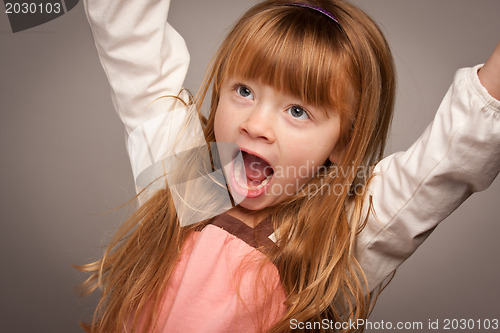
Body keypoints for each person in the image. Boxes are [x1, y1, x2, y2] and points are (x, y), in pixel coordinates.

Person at [79, 0, 500, 332]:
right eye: (243, 90)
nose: (255, 125)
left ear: (345, 142)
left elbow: (444, 162)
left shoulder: (338, 236)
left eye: (298, 111)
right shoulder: (190, 180)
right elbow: (131, 44)